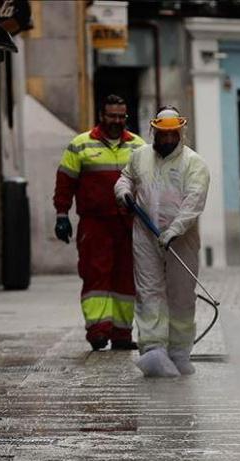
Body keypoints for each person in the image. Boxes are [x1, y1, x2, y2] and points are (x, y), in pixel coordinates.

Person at [115, 106, 210, 377]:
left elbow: (194, 202)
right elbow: (125, 178)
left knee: (181, 296)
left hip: (182, 240)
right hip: (145, 236)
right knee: (149, 293)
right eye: (163, 134)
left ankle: (179, 352)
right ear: (154, 132)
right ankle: (153, 350)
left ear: (180, 133)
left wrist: (174, 230)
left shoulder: (194, 164)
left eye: (172, 134)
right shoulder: (140, 157)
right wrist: (122, 192)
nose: (167, 139)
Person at [53, 95, 145, 351]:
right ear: (101, 116)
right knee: (96, 276)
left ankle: (122, 333)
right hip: (95, 225)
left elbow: (149, 184)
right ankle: (98, 330)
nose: (117, 121)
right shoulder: (80, 145)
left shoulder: (138, 146)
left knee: (126, 279)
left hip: (128, 225)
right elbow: (65, 182)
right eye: (112, 116)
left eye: (121, 116)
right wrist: (62, 214)